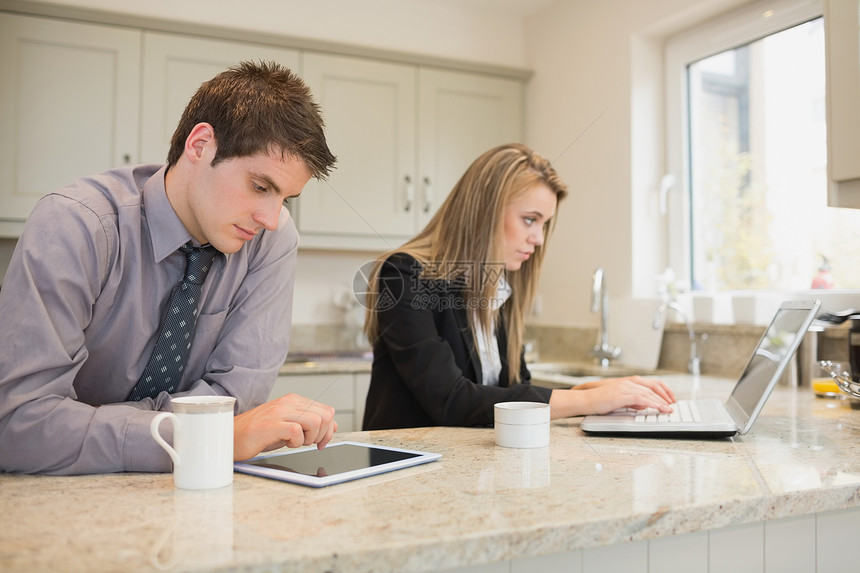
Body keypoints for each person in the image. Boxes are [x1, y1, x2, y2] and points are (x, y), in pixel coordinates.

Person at [0, 61, 339, 474]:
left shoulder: (272, 240)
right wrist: (205, 435)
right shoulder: (76, 225)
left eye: (286, 198)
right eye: (260, 186)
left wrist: (95, 425)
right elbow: (21, 425)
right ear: (199, 145)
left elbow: (235, 401)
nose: (271, 216)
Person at [362, 143, 675, 430]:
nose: (538, 239)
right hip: (408, 469)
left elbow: (509, 392)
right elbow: (451, 401)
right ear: (484, 212)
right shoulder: (403, 275)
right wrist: (586, 401)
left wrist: (599, 391)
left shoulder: (500, 287)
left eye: (544, 224)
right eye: (530, 219)